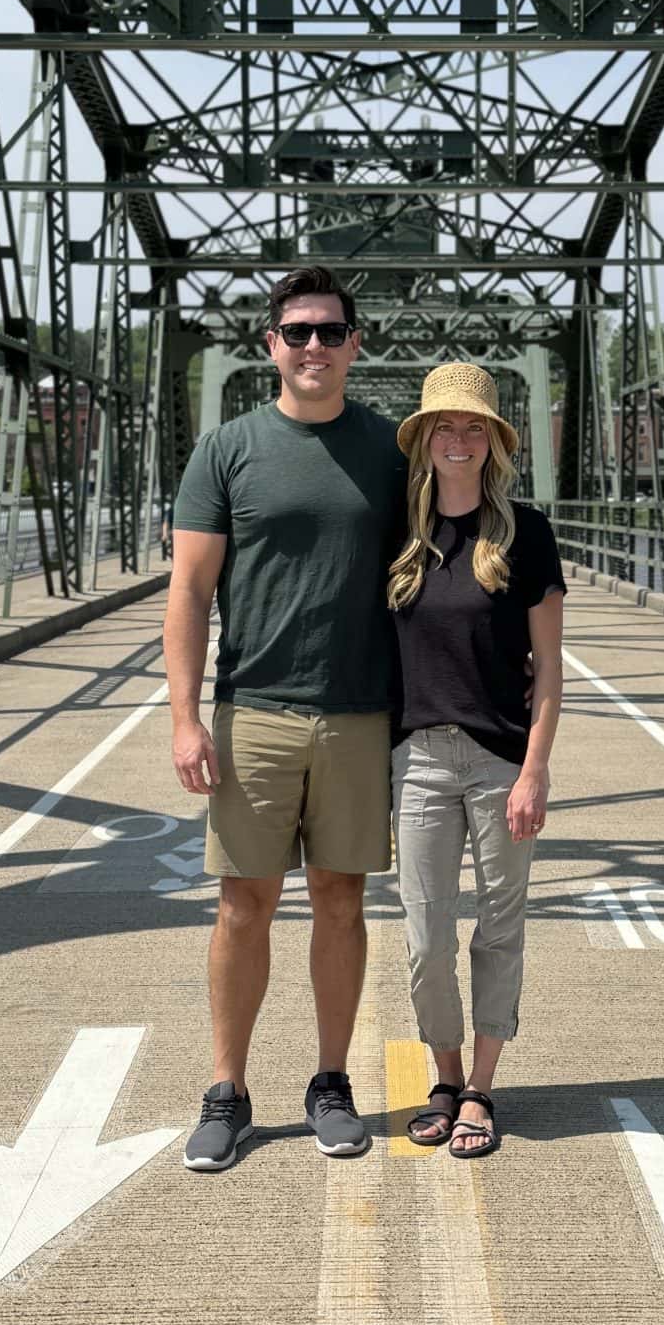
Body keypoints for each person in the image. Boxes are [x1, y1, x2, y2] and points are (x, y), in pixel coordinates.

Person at [166, 265, 407, 1172]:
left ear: (355, 345)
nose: (313, 346)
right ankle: (226, 1092)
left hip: (359, 714)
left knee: (342, 901)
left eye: (330, 332)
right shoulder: (227, 450)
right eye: (297, 331)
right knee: (243, 905)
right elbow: (189, 592)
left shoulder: (392, 450)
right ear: (270, 345)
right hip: (255, 710)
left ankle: (331, 1083)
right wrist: (185, 717)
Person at [388, 362, 564, 1160]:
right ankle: (445, 1076)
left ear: (493, 444)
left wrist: (535, 772)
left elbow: (549, 670)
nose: (457, 441)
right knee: (426, 938)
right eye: (444, 427)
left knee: (498, 930)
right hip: (420, 759)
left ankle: (480, 1091)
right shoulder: (399, 536)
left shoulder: (527, 533)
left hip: (500, 761)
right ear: (424, 440)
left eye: (473, 428)